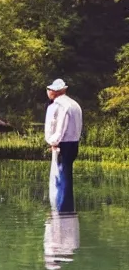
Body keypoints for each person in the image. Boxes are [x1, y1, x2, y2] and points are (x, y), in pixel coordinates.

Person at [45, 79, 82, 213]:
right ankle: (67, 208)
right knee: (67, 175)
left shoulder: (58, 106)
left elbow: (60, 127)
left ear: (55, 92)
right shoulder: (74, 104)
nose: (48, 92)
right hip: (74, 143)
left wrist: (54, 142)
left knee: (60, 177)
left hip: (63, 143)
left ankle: (62, 209)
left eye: (50, 90)